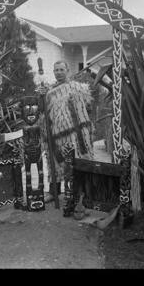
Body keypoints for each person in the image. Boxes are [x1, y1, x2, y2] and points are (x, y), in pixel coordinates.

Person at [37, 60, 94, 203]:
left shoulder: (76, 87)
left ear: (67, 70)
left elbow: (87, 109)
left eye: (62, 69)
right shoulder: (48, 91)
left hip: (75, 134)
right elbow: (42, 110)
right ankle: (53, 192)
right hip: (56, 134)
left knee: (76, 160)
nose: (59, 72)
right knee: (55, 161)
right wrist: (41, 96)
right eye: (56, 70)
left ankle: (78, 194)